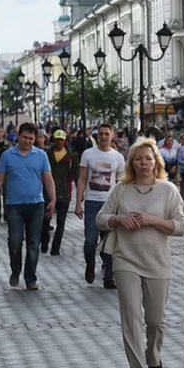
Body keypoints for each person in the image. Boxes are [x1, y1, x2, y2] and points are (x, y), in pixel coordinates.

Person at [96, 139, 184, 368]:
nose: (144, 164)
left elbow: (180, 227)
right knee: (131, 317)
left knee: (156, 320)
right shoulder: (121, 190)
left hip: (157, 262)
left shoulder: (167, 190)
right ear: (131, 163)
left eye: (148, 159)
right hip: (126, 259)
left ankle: (153, 357)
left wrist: (152, 220)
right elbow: (100, 218)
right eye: (138, 159)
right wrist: (119, 219)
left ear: (156, 162)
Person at [0, 123, 56, 291]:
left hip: (36, 204)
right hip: (14, 206)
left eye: (31, 139)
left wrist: (53, 198)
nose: (27, 141)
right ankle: (15, 269)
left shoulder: (41, 155)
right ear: (19, 136)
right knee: (15, 240)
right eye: (25, 138)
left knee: (34, 243)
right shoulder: (7, 155)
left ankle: (30, 278)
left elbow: (48, 179)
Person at [75, 123, 126, 288]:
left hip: (110, 204)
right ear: (97, 136)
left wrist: (122, 205)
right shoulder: (88, 154)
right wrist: (78, 203)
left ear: (112, 136)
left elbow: (120, 183)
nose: (103, 137)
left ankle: (109, 276)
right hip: (92, 203)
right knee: (91, 240)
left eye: (107, 134)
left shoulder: (118, 157)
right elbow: (82, 179)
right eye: (101, 134)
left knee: (109, 241)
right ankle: (90, 264)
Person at [45, 129, 77, 256]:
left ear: (65, 141)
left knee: (61, 222)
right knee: (45, 219)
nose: (59, 142)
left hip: (64, 192)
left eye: (61, 140)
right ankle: (45, 238)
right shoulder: (47, 154)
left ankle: (55, 248)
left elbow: (76, 174)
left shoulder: (71, 156)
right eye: (57, 139)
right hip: (48, 191)